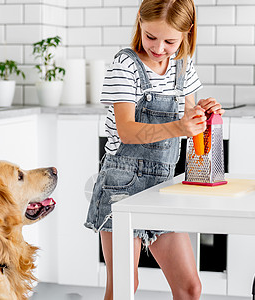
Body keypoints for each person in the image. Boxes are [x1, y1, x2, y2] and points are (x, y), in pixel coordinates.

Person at [85, 0, 224, 299]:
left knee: (189, 287)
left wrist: (202, 112)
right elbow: (127, 130)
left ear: (187, 33)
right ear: (139, 23)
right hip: (122, 185)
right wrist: (180, 127)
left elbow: (187, 115)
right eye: (151, 37)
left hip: (163, 187)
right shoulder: (125, 65)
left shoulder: (183, 69)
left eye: (170, 41)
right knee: (125, 285)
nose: (159, 48)